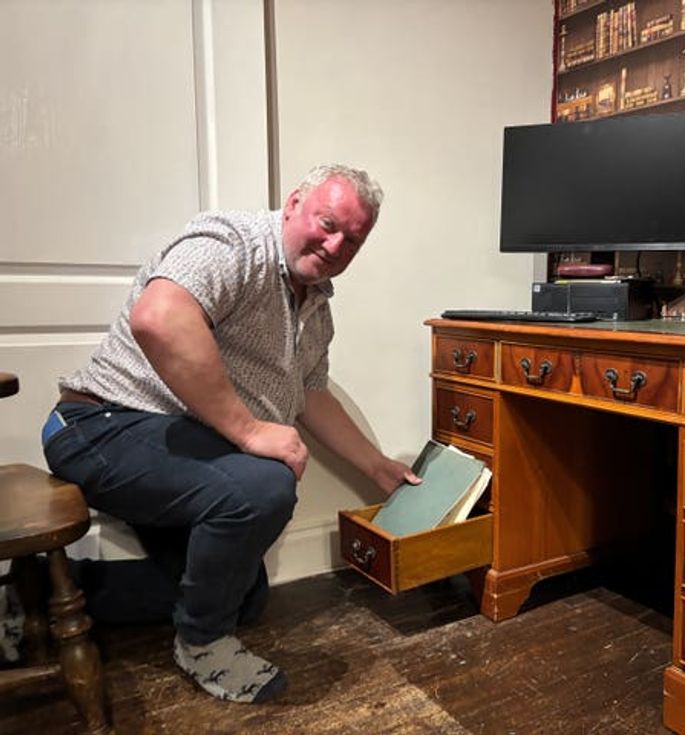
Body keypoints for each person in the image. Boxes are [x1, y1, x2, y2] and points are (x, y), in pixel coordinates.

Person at [40, 164, 421, 704]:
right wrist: (246, 431)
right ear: (293, 205)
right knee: (263, 486)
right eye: (327, 223)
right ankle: (201, 643)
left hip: (168, 447)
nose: (336, 244)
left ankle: (43, 593)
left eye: (352, 239)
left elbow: (310, 395)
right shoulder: (231, 241)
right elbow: (159, 316)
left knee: (243, 596)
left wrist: (377, 465)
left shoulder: (315, 305)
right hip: (98, 426)